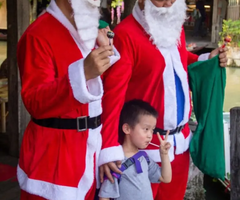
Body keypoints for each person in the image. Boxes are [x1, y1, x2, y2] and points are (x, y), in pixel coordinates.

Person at [99, 0, 228, 200]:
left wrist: (206, 59)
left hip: (180, 144)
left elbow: (177, 60)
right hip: (144, 149)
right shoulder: (125, 34)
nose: (168, 2)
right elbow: (112, 94)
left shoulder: (175, 26)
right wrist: (108, 148)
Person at [16, 0, 120, 199]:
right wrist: (83, 73)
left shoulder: (89, 29)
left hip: (89, 152)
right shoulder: (37, 35)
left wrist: (107, 49)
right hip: (54, 159)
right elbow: (34, 102)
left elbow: (101, 90)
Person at [99, 99, 172, 200]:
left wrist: (164, 154)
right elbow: (105, 196)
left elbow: (166, 178)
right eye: (146, 129)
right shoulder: (116, 162)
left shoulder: (144, 158)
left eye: (152, 130)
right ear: (127, 129)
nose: (150, 135)